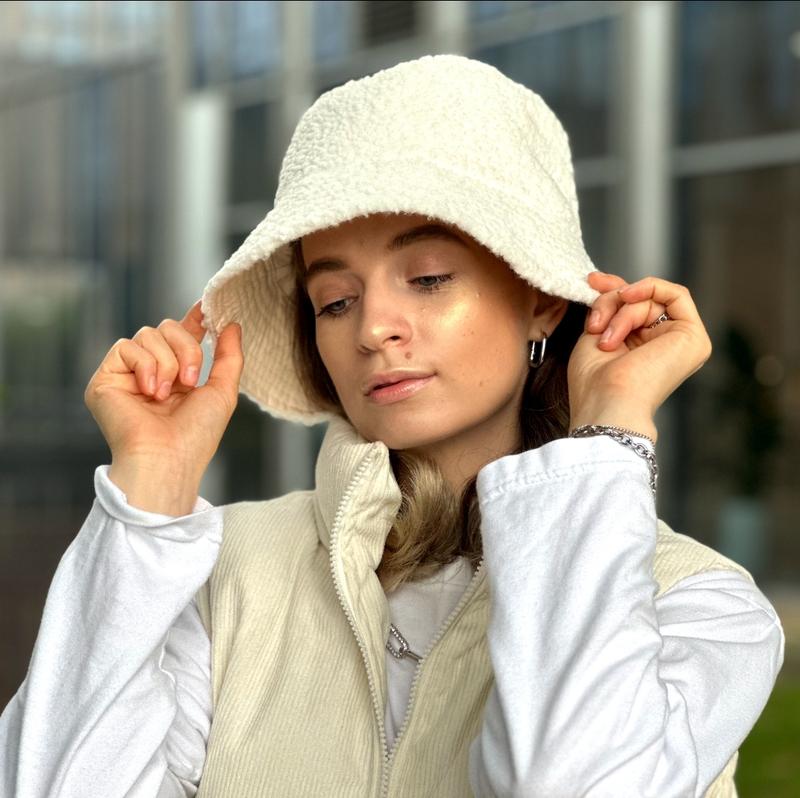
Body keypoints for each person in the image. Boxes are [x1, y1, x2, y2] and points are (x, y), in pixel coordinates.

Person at [0, 54, 784, 798]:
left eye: (429, 277)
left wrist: (608, 430)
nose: (374, 328)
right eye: (335, 300)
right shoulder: (226, 576)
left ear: (542, 299)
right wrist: (151, 484)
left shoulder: (695, 603)